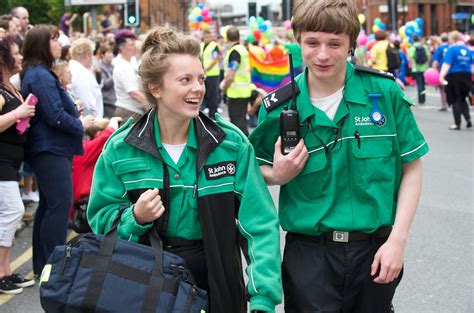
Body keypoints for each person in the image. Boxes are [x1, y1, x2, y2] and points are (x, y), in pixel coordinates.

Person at [248, 1, 429, 312]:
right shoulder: (278, 109)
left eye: (334, 44)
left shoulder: (384, 94)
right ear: (298, 40)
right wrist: (275, 175)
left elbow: (411, 168)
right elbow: (248, 172)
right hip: (309, 256)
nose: (322, 55)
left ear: (350, 44)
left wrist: (397, 241)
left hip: (375, 249)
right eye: (312, 43)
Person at [88, 26, 282, 313]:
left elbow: (260, 226)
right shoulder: (120, 149)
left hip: (217, 284)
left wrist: (262, 298)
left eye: (201, 78)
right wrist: (134, 217)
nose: (199, 88)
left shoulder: (230, 145)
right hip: (143, 289)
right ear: (156, 88)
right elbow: (100, 225)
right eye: (185, 80)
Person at [20, 25, 94, 277]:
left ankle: (45, 266)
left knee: (49, 207)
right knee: (59, 207)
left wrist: (73, 109)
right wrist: (80, 123)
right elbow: (55, 116)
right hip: (50, 148)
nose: (58, 42)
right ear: (42, 44)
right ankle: (56, 266)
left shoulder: (39, 72)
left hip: (48, 148)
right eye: (53, 39)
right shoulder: (40, 75)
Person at [0, 35, 36, 294]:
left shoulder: (11, 85)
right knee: (12, 211)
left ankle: (6, 271)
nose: (21, 57)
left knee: (9, 215)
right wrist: (17, 114)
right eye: (16, 52)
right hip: (1, 163)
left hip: (12, 161)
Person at [220, 26, 252, 136]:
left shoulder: (234, 52)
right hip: (244, 92)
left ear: (227, 38)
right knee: (241, 123)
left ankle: (245, 149)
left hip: (236, 93)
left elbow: (230, 75)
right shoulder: (243, 49)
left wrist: (224, 87)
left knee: (238, 126)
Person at [439, 31, 473, 130]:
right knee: (463, 98)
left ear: (452, 39)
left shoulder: (452, 49)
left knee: (455, 99)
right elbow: (471, 65)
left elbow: (447, 64)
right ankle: (468, 119)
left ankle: (457, 123)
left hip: (454, 76)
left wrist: (441, 76)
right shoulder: (467, 50)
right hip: (467, 76)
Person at [112, 29, 147, 120]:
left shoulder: (132, 60)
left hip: (134, 111)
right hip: (128, 112)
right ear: (121, 48)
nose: (135, 47)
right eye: (131, 45)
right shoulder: (122, 66)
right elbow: (134, 93)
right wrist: (151, 106)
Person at [69, 38, 104, 117]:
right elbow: (88, 103)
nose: (93, 58)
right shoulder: (80, 73)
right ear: (88, 54)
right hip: (90, 122)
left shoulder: (76, 69)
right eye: (92, 54)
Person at [200, 30, 221, 119]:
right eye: (206, 36)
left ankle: (213, 115)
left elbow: (214, 59)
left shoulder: (214, 46)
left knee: (213, 95)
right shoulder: (201, 45)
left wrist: (205, 69)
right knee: (206, 94)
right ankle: (208, 113)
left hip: (213, 74)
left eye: (209, 36)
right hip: (204, 74)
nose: (207, 38)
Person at [408, 34, 430, 104]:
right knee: (423, 84)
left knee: (419, 84)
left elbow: (410, 58)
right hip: (424, 68)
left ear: (413, 40)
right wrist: (427, 64)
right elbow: (428, 56)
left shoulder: (412, 47)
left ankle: (420, 99)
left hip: (416, 68)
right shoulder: (424, 46)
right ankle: (423, 99)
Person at [432, 35, 450, 111]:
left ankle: (444, 105)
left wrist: (434, 70)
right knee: (449, 87)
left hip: (441, 70)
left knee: (442, 89)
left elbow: (435, 61)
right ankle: (452, 102)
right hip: (450, 70)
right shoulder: (451, 48)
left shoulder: (439, 49)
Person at [98, 45, 116, 118]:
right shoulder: (100, 67)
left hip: (114, 102)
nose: (111, 55)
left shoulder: (112, 66)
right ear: (102, 55)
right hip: (107, 102)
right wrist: (115, 74)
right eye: (108, 53)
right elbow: (105, 84)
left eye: (112, 53)